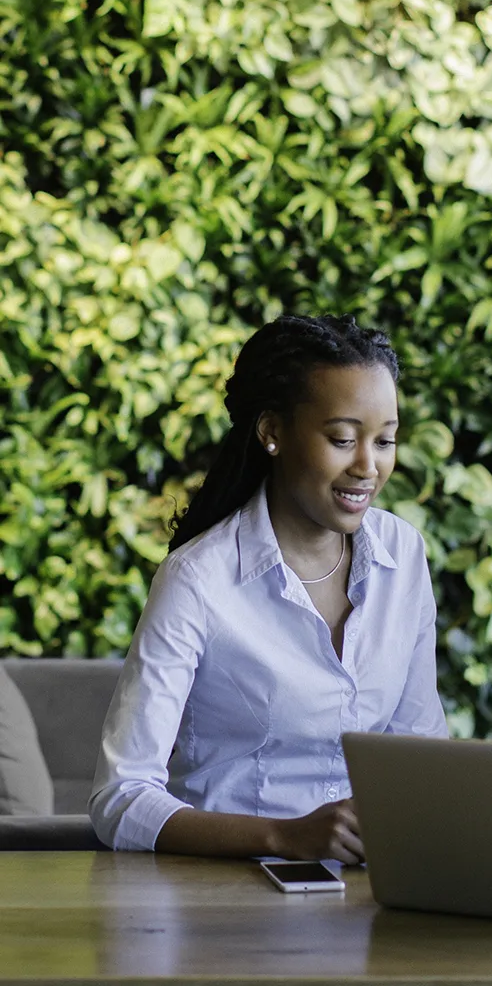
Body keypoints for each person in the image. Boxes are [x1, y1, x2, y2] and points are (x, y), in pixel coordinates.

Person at [90, 314, 446, 858]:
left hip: (366, 893)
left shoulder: (404, 555)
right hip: (225, 895)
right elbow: (121, 799)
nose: (368, 466)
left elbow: (420, 756)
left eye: (385, 441)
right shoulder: (198, 580)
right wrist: (286, 837)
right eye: (343, 439)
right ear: (272, 432)